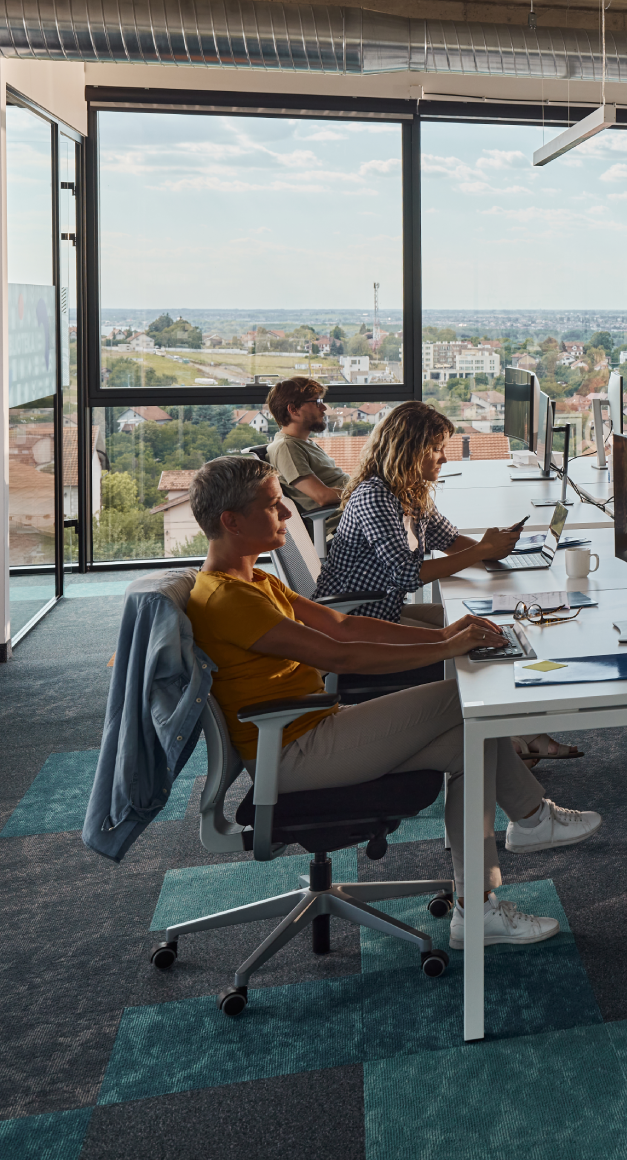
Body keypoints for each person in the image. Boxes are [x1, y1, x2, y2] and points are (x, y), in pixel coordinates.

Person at [186, 454, 603, 948]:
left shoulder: (255, 579)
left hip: (314, 729)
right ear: (231, 521)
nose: (286, 515)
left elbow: (344, 623)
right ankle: (533, 819)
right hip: (292, 753)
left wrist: (445, 633)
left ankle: (480, 908)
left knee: (471, 741)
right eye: (274, 507)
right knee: (461, 696)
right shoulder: (228, 598)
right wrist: (444, 649)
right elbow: (340, 655)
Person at [314, 400, 581, 762]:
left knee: (485, 625)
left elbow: (450, 541)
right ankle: (501, 739)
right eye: (436, 449)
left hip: (384, 608)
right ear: (409, 450)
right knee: (472, 642)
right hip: (358, 618)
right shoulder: (375, 496)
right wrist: (483, 550)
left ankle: (519, 733)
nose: (444, 458)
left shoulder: (410, 490)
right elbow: (407, 574)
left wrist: (495, 552)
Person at [266, 377, 349, 518]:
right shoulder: (287, 447)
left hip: (354, 512)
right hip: (339, 526)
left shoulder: (304, 443)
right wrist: (366, 492)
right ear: (293, 409)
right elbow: (322, 496)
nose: (323, 408)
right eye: (317, 402)